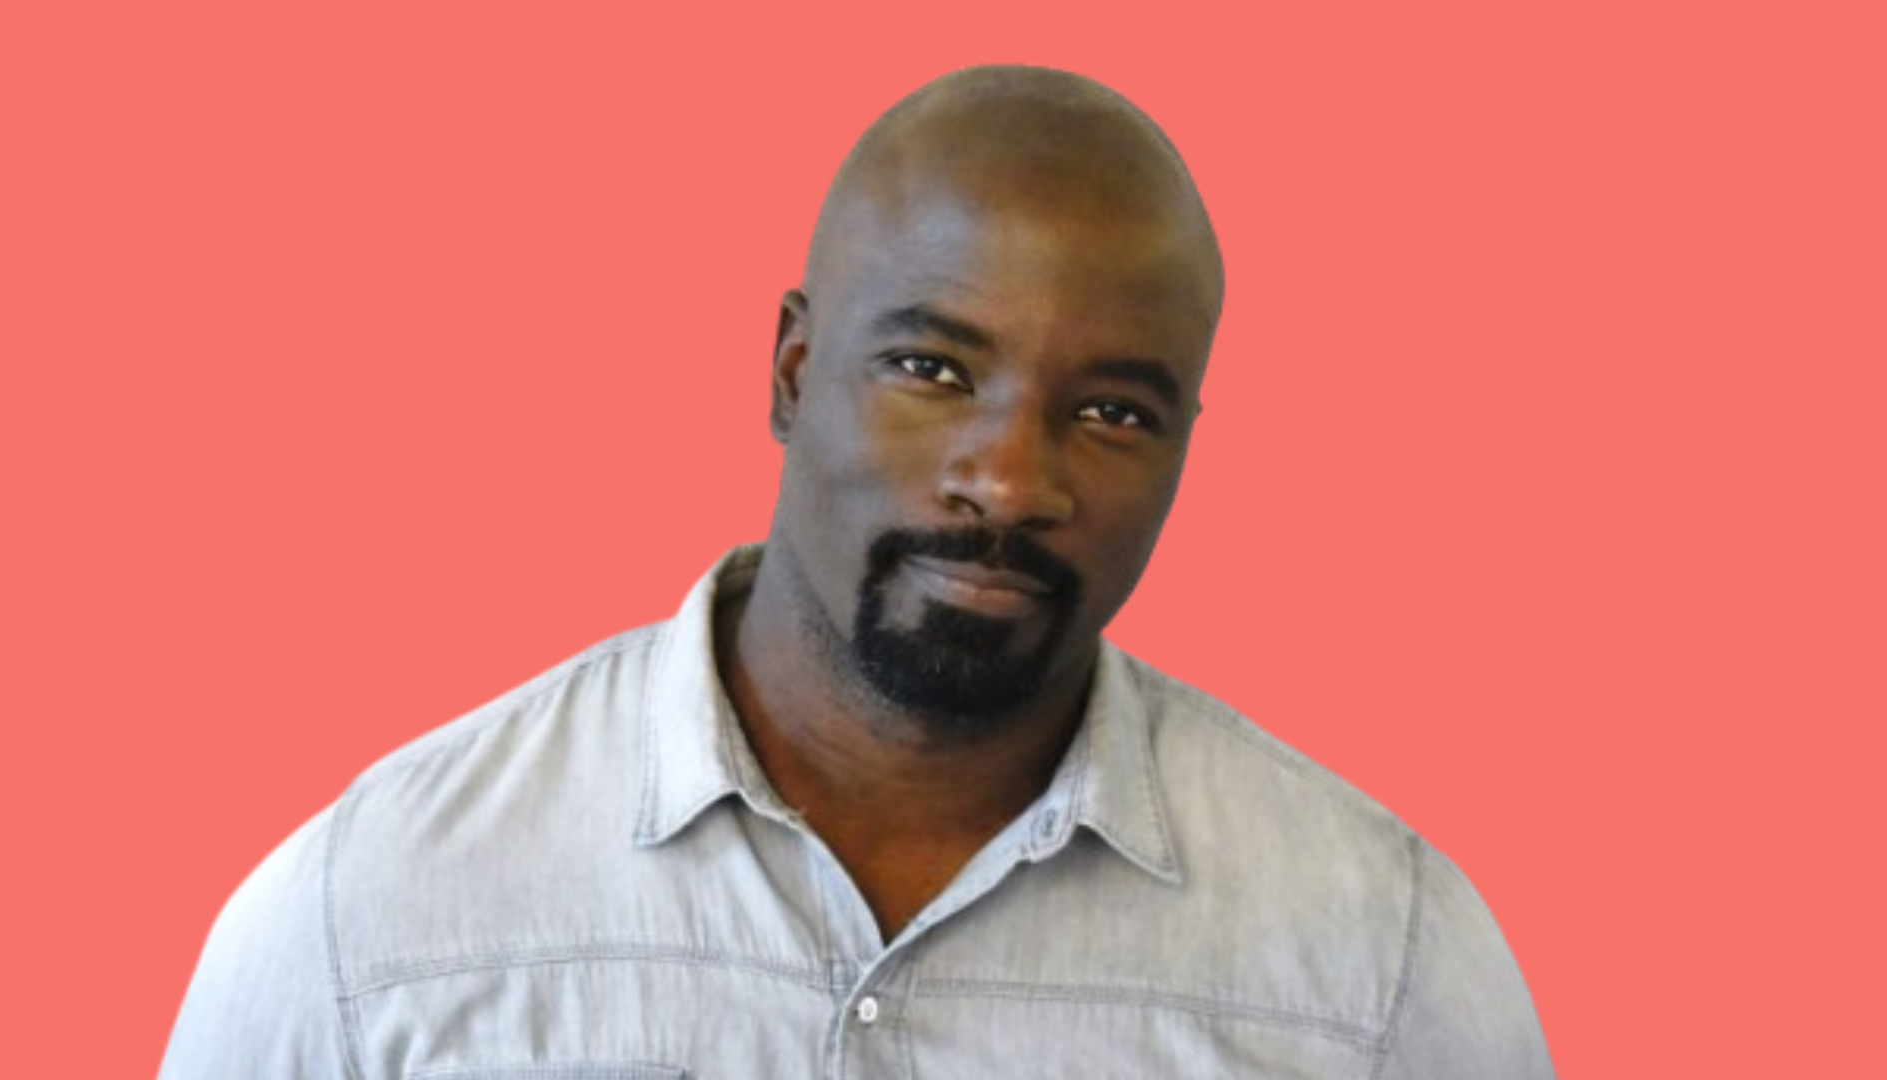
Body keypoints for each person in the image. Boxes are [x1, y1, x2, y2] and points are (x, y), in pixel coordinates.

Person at [162, 65, 1553, 1078]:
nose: (1008, 480)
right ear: (791, 372)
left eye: (1111, 410)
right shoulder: (380, 910)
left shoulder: (1382, 963)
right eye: (932, 370)